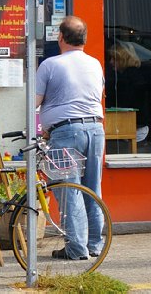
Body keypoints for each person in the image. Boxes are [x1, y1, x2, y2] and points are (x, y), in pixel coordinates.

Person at [36, 15, 105, 260]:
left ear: (61, 38)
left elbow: (35, 101)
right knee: (92, 188)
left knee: (68, 190)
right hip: (96, 130)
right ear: (83, 39)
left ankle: (76, 249)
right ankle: (95, 244)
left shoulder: (50, 65)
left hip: (66, 132)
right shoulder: (95, 64)